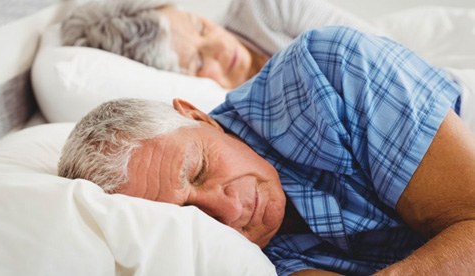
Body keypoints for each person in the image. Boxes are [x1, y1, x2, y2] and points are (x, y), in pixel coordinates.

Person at [58, 26, 475, 275]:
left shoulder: (324, 75)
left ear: (198, 116)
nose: (228, 212)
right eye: (187, 215)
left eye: (200, 170)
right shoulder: (223, 252)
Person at [60, 0, 381, 89]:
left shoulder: (267, 7)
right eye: (197, 62)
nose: (216, 45)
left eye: (200, 27)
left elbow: (376, 55)